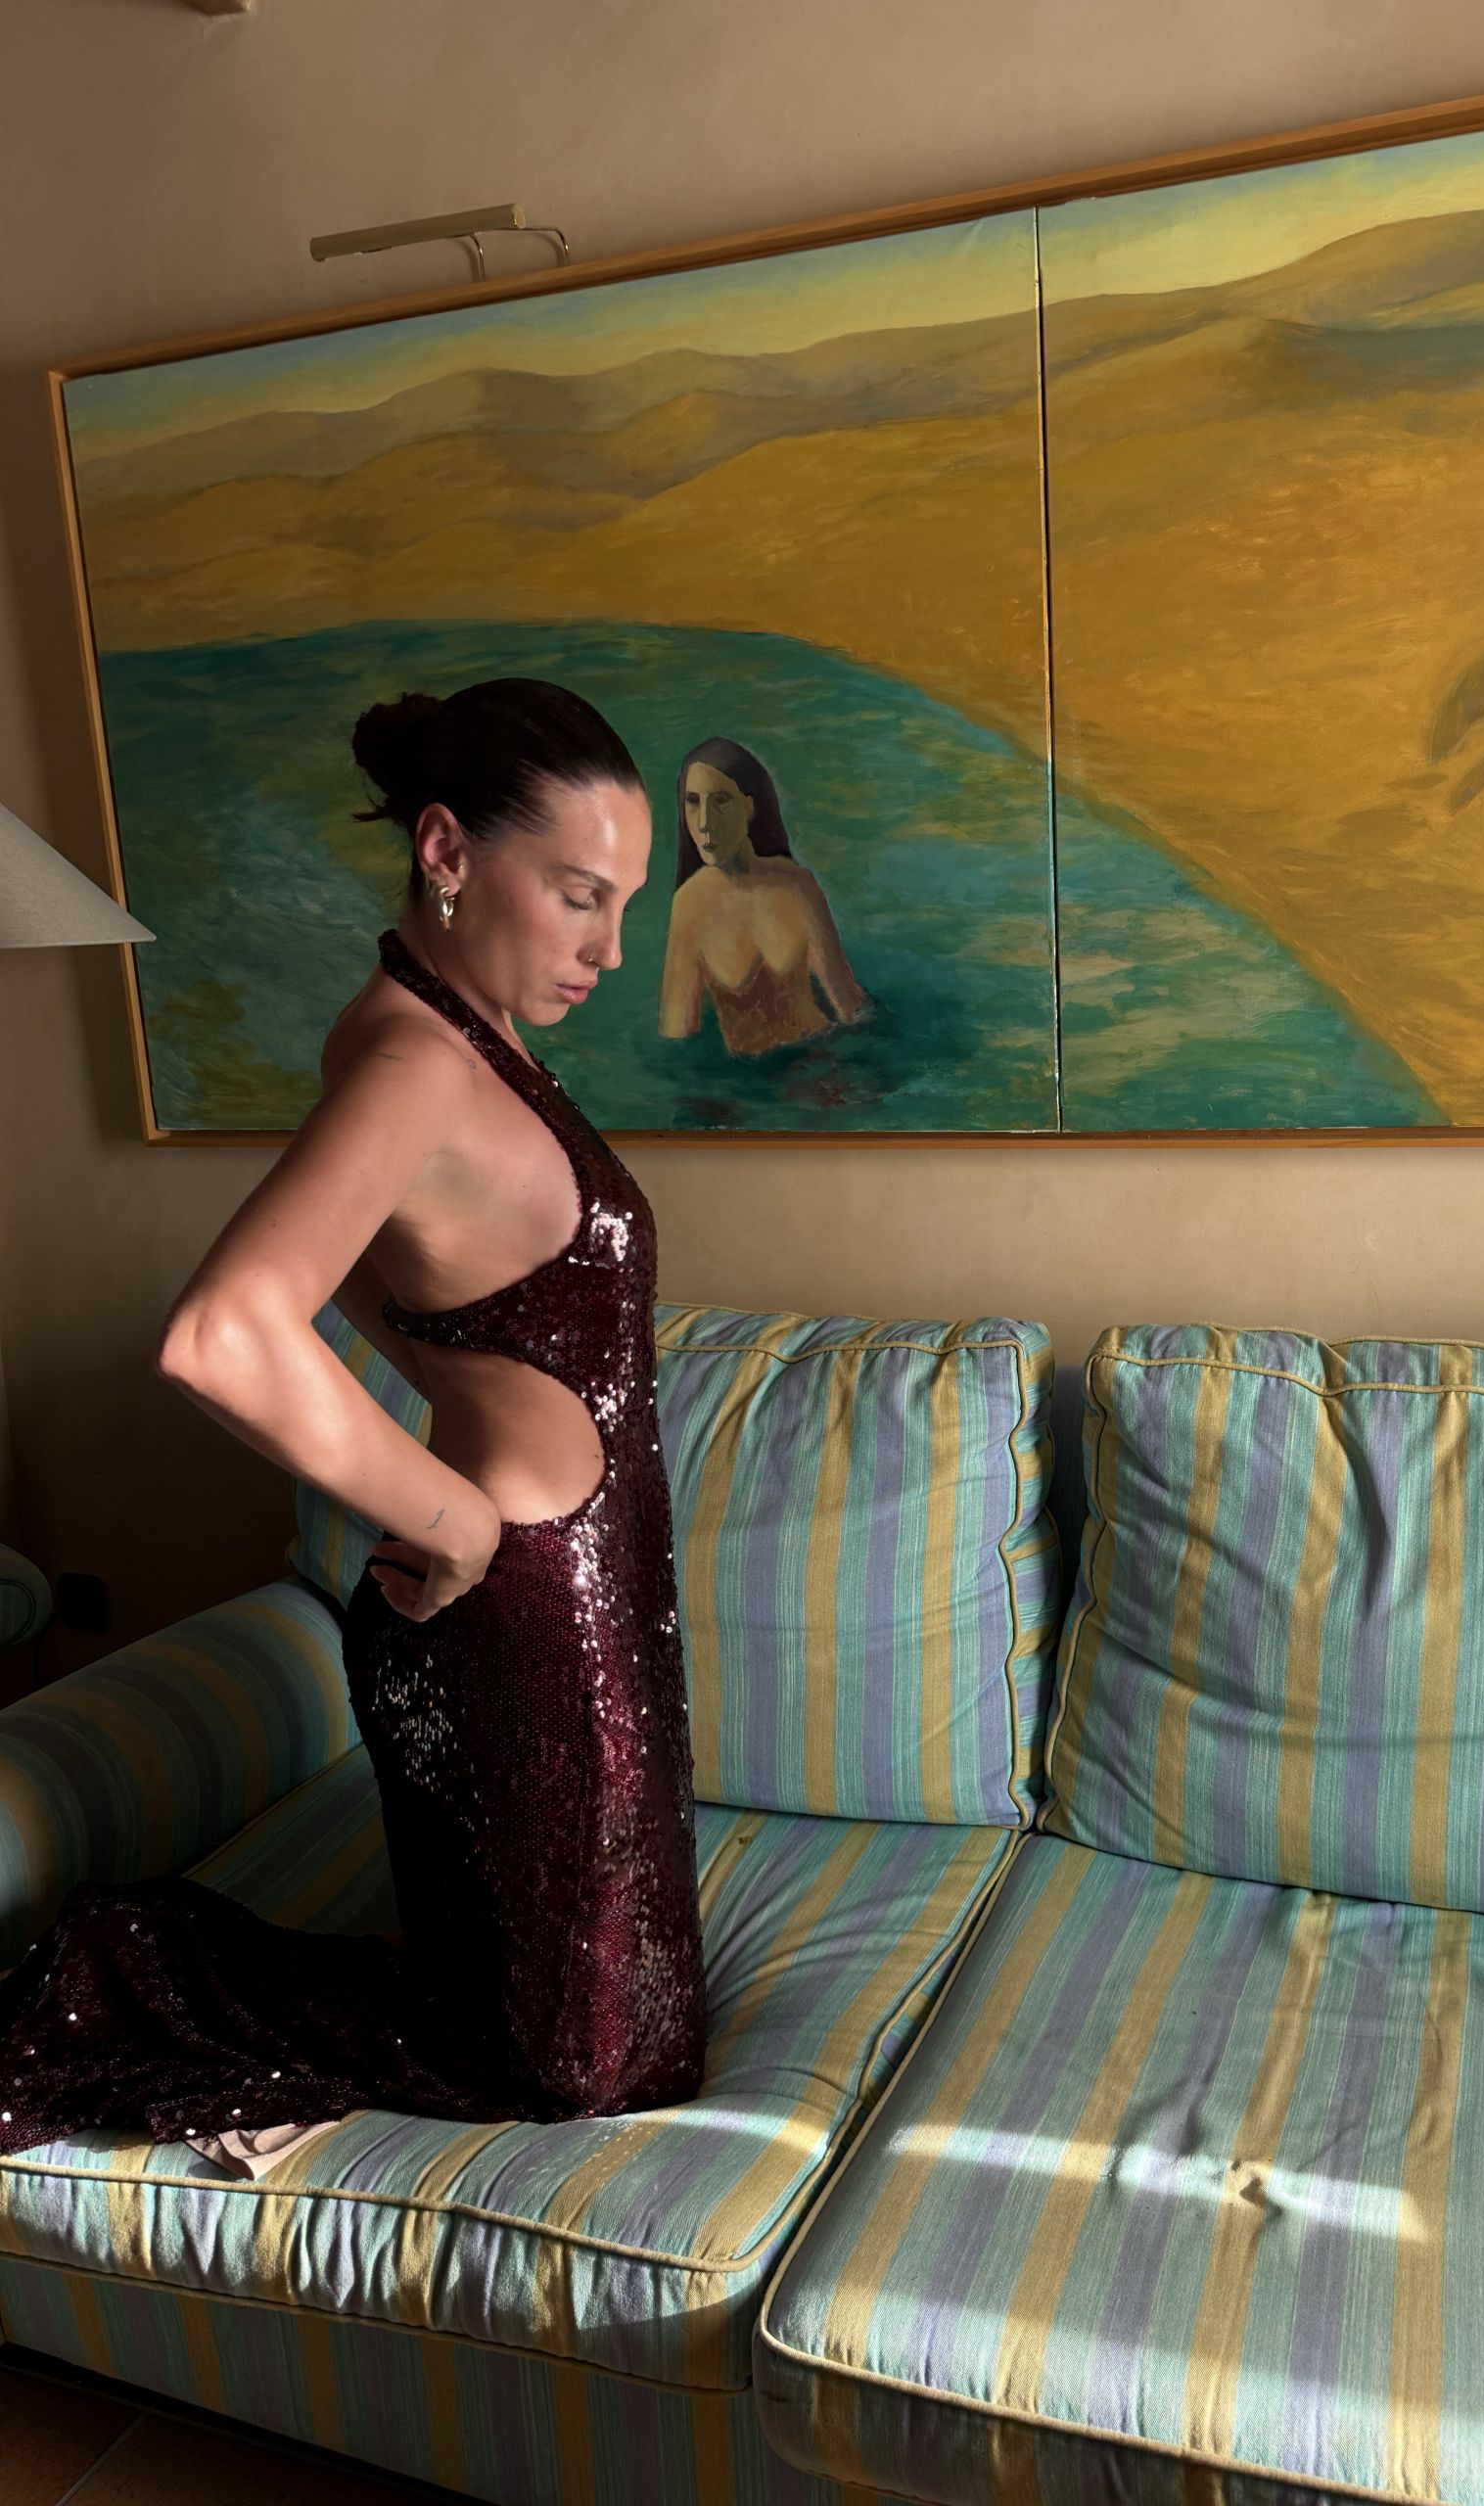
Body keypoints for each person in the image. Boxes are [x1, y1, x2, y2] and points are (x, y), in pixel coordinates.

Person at [0, 677, 707, 2176]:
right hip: (521, 1615)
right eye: (579, 895)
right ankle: (114, 1975)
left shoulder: (449, 1032)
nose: (609, 948)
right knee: (577, 2064)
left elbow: (406, 1281)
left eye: (626, 903)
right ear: (445, 849)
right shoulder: (412, 1062)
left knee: (621, 2034)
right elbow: (224, 1334)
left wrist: (450, 1415)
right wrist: (453, 1519)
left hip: (590, 1598)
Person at [658, 737, 872, 1057]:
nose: (704, 823)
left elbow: (849, 1006)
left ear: (749, 807)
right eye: (693, 802)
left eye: (720, 801)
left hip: (821, 1063)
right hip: (751, 1082)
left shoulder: (797, 886)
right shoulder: (689, 904)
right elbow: (677, 1036)